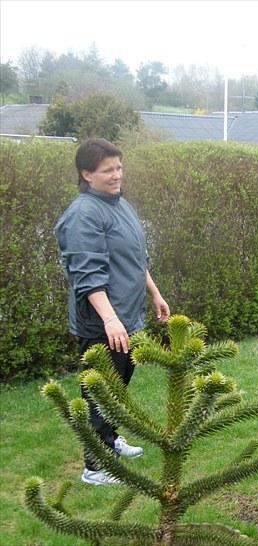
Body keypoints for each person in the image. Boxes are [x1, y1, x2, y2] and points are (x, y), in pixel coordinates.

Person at [55, 138, 170, 486]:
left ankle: (110, 440)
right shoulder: (83, 215)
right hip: (103, 323)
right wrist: (109, 319)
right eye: (108, 170)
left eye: (119, 167)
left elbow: (135, 259)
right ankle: (94, 467)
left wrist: (155, 294)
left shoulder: (122, 205)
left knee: (118, 388)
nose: (117, 175)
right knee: (101, 393)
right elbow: (87, 275)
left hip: (127, 317)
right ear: (86, 174)